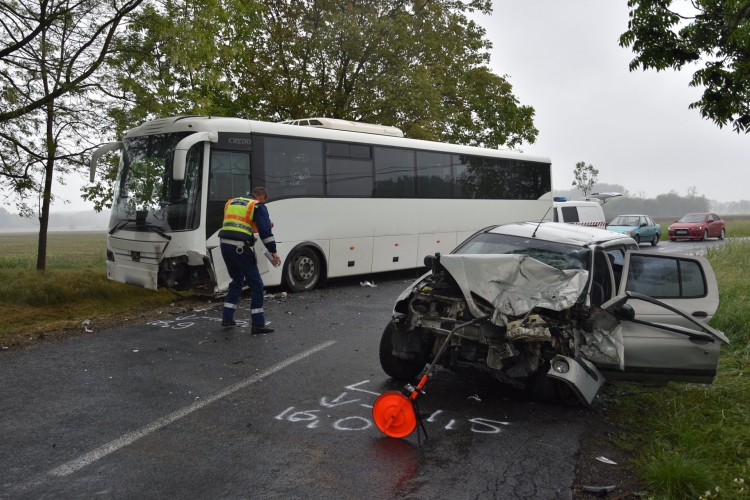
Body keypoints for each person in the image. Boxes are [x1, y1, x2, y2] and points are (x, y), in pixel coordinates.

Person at [219, 187, 282, 333]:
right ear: (261, 198)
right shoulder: (258, 206)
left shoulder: (231, 202)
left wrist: (249, 237)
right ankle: (258, 324)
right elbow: (266, 233)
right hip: (239, 248)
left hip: (224, 245)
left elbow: (235, 225)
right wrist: (274, 251)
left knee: (237, 280)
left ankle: (227, 318)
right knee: (257, 284)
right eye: (264, 200)